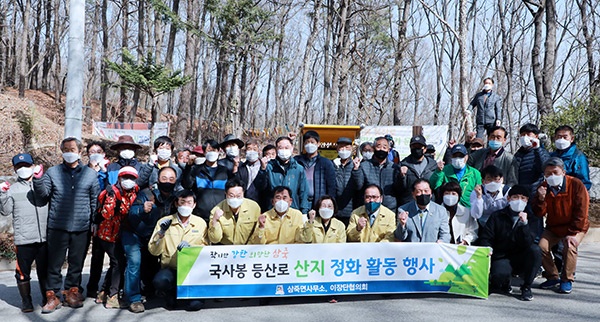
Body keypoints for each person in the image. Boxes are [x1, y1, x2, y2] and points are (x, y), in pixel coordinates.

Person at [34, 137, 100, 313]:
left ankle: (72, 291)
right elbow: (43, 194)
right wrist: (38, 179)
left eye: (73, 149)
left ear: (80, 152)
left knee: (76, 263)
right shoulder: (53, 173)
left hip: (82, 227)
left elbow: (95, 201)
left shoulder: (90, 174)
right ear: (61, 151)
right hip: (57, 226)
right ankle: (53, 295)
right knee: (54, 264)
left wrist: (94, 222)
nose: (69, 153)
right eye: (66, 149)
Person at [124, 166, 180, 313]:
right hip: (136, 234)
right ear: (158, 180)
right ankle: (133, 299)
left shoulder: (176, 198)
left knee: (154, 264)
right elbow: (131, 214)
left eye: (171, 179)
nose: (167, 182)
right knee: (135, 263)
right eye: (164, 178)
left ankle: (153, 290)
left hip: (156, 237)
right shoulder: (146, 194)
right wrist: (142, 209)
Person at [533, 157, 589, 294]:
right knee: (541, 247)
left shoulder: (576, 185)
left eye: (555, 172)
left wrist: (573, 232)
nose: (552, 176)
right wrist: (540, 199)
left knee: (570, 246)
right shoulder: (543, 187)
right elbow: (539, 213)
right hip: (554, 227)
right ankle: (553, 276)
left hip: (576, 226)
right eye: (548, 174)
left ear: (563, 172)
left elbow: (582, 212)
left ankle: (567, 279)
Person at [0, 153, 48, 312]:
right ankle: (26, 301)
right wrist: (2, 194)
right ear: (14, 169)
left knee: (45, 272)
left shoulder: (42, 185)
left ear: (33, 166)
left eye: (26, 166)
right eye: (19, 167)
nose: (23, 169)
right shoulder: (12, 189)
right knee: (22, 273)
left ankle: (47, 298)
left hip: (44, 237)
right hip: (24, 239)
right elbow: (6, 211)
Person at [477, 184, 542, 301]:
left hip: (521, 257)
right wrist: (488, 247)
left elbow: (529, 242)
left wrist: (524, 225)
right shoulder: (497, 216)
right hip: (502, 256)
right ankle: (503, 282)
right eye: (515, 197)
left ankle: (526, 287)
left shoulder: (532, 219)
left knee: (535, 251)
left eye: (523, 198)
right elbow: (486, 237)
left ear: (527, 201)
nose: (519, 201)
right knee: (499, 276)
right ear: (508, 199)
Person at [149, 190, 207, 311]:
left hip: (193, 270)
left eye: (189, 202)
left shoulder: (200, 223)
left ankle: (190, 295)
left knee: (195, 306)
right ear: (176, 204)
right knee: (160, 281)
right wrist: (161, 233)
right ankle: (171, 293)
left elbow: (206, 249)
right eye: (182, 202)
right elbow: (154, 251)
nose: (185, 205)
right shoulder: (165, 222)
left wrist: (191, 248)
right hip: (171, 268)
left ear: (194, 204)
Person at [94, 166, 139, 309]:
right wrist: (111, 201)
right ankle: (113, 296)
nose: (128, 181)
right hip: (108, 234)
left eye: (131, 178)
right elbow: (106, 214)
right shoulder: (111, 192)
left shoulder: (134, 191)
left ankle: (103, 292)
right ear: (119, 178)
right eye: (125, 177)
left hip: (122, 233)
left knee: (117, 263)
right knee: (118, 263)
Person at [254, 136, 310, 214]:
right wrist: (262, 170)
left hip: (293, 211)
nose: (284, 150)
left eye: (287, 147)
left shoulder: (298, 169)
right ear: (276, 150)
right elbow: (259, 187)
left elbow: (303, 192)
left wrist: (304, 212)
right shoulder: (269, 167)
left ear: (292, 148)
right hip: (273, 211)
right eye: (280, 148)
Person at [182, 139, 231, 221]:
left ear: (219, 151)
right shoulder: (196, 169)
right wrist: (188, 167)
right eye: (208, 150)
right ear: (204, 153)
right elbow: (187, 185)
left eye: (214, 150)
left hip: (221, 215)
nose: (211, 153)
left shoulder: (225, 171)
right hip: (200, 215)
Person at [351, 136, 400, 211]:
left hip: (389, 208)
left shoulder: (394, 167)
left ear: (389, 150)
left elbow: (399, 188)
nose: (381, 150)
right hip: (369, 207)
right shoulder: (364, 166)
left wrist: (403, 176)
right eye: (378, 147)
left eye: (384, 147)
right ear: (374, 148)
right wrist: (356, 170)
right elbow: (358, 186)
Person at [208, 179, 262, 245]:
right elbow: (215, 239)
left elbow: (257, 235)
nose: (235, 199)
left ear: (243, 193)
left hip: (247, 248)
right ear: (226, 194)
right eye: (231, 196)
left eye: (238, 196)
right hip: (226, 248)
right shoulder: (216, 210)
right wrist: (215, 221)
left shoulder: (254, 207)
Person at [294, 130, 337, 209]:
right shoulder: (297, 161)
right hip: (299, 202)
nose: (309, 144)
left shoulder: (326, 163)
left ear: (318, 144)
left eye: (312, 142)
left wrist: (329, 204)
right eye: (307, 142)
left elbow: (332, 187)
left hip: (318, 203)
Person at [398, 135, 438, 206]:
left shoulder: (433, 165)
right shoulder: (403, 164)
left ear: (425, 149)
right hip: (409, 205)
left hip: (429, 204)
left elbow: (437, 186)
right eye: (414, 147)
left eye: (419, 147)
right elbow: (399, 189)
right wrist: (402, 176)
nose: (417, 149)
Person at [511, 123, 550, 195]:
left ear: (536, 136)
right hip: (520, 193)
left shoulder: (542, 152)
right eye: (523, 135)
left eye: (528, 134)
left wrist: (537, 149)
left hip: (534, 192)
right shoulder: (518, 154)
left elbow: (544, 168)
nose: (525, 137)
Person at [551, 125, 592, 190]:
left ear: (572, 139)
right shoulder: (552, 156)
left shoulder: (578, 157)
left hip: (571, 194)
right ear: (555, 138)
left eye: (565, 137)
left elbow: (584, 182)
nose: (561, 140)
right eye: (559, 137)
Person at [333, 137, 356, 227]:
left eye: (347, 148)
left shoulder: (355, 165)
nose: (344, 150)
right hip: (335, 210)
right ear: (337, 149)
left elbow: (359, 185)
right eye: (341, 147)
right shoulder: (332, 165)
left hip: (351, 210)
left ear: (351, 149)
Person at [234, 140, 264, 206]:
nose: (252, 151)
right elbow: (237, 182)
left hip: (260, 202)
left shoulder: (263, 166)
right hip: (244, 202)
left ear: (259, 151)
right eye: (249, 149)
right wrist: (236, 167)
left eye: (254, 149)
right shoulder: (242, 167)